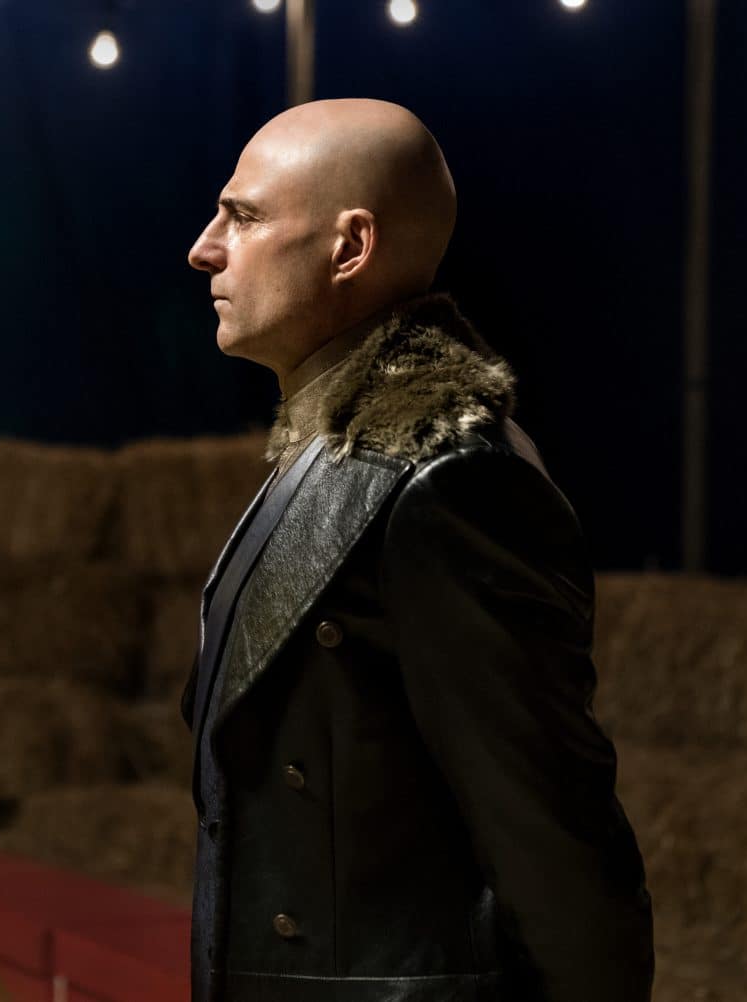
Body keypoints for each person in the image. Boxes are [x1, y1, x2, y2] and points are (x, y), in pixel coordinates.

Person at [181, 98, 653, 1002]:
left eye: (243, 216)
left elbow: (553, 832)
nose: (205, 249)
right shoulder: (331, 449)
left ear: (349, 247)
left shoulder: (448, 481)